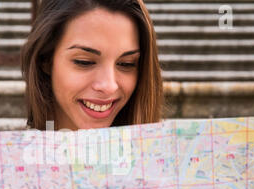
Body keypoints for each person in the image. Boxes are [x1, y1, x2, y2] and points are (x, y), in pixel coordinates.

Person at [21, 0, 163, 131]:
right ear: (45, 60)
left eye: (126, 64)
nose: (109, 86)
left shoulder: (173, 156)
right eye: (85, 62)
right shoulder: (8, 156)